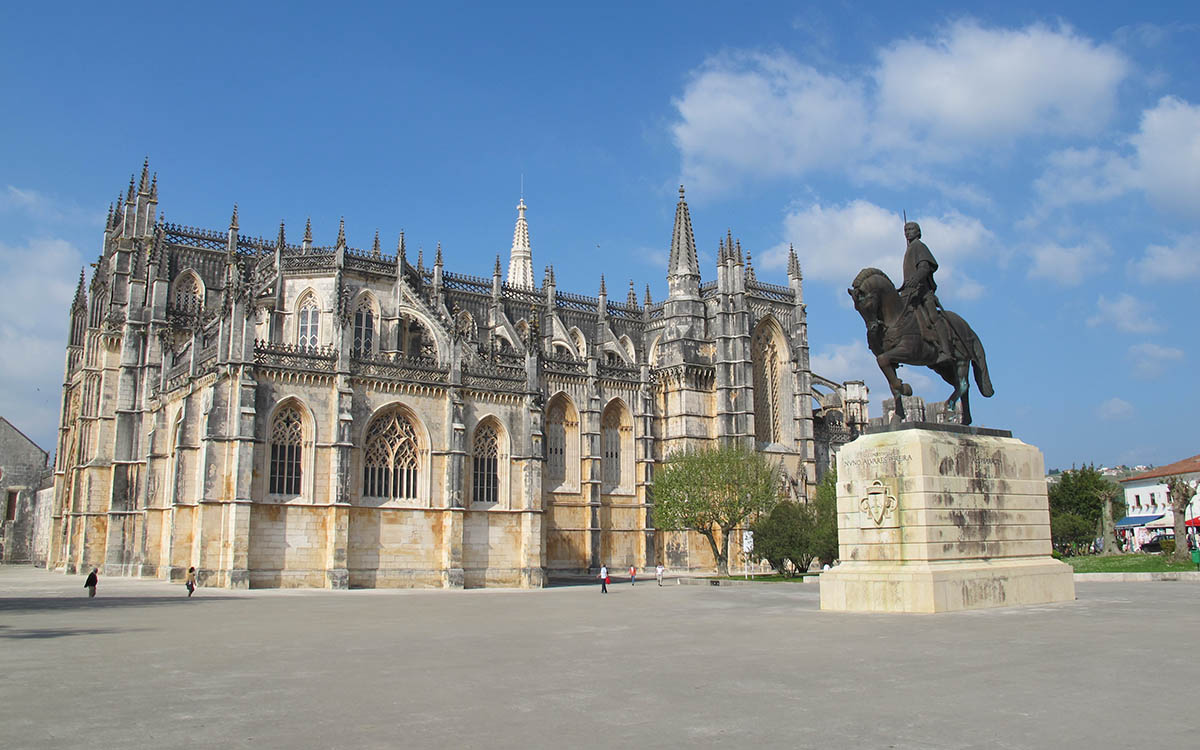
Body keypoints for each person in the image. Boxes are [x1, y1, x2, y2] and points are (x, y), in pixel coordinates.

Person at [899, 221, 953, 366]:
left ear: (918, 232)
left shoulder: (919, 247)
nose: (908, 232)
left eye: (911, 229)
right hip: (910, 293)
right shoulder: (909, 249)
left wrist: (915, 279)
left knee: (933, 317)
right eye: (906, 230)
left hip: (922, 291)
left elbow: (925, 267)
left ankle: (946, 350)